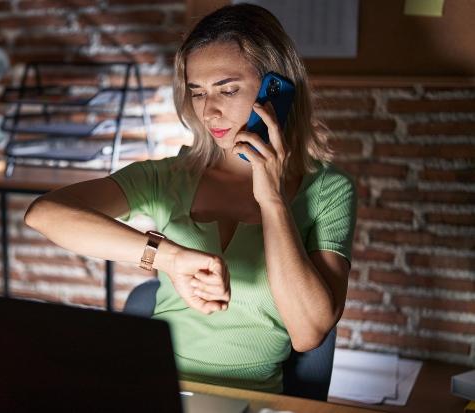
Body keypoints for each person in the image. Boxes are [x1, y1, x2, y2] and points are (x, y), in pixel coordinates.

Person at [24, 3, 357, 393]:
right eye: (197, 92)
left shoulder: (330, 190)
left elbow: (308, 333)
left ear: (277, 90)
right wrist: (168, 256)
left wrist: (272, 201)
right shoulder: (169, 177)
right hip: (155, 391)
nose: (209, 111)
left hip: (251, 400)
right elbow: (45, 214)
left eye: (228, 89)